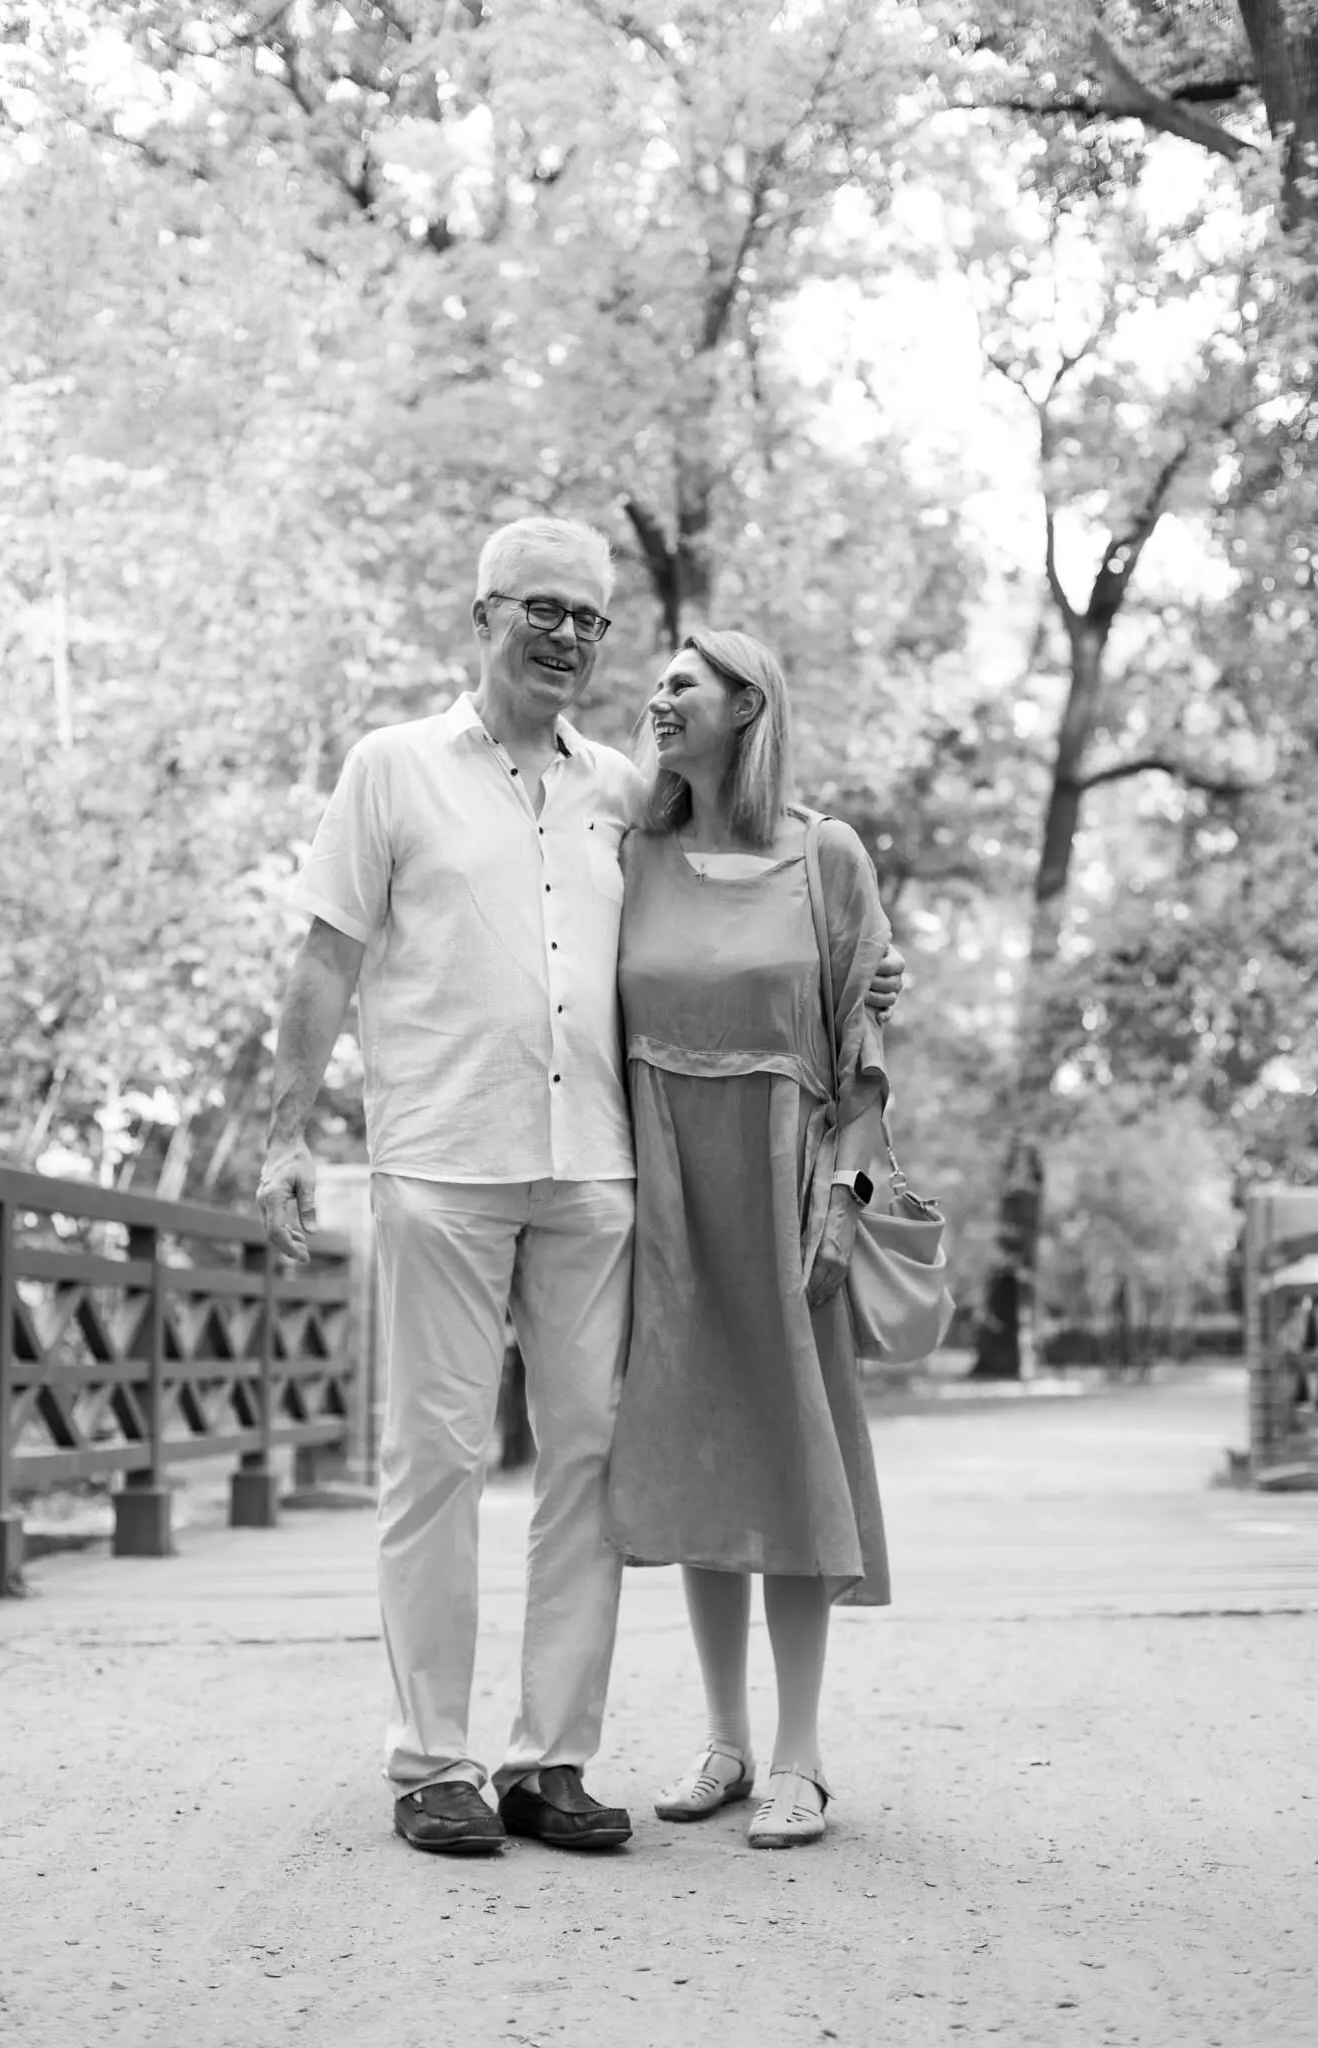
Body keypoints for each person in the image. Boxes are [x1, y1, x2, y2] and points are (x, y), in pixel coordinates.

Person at [256, 516, 903, 1859]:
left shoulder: (622, 792)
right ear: (484, 614)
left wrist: (863, 973)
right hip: (442, 1157)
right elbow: (325, 957)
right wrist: (283, 1135)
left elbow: (760, 908)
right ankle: (432, 1760)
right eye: (540, 608)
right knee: (435, 1460)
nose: (566, 636)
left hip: (599, 1171)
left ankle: (550, 1759)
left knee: (590, 1460)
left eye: (588, 618)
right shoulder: (392, 768)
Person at [604, 627, 893, 1851]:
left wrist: (844, 1197)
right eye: (659, 682)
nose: (658, 696)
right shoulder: (633, 853)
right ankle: (723, 1738)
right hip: (666, 1188)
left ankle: (800, 1755)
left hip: (785, 1185)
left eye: (684, 681)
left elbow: (865, 1052)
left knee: (789, 1452)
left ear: (746, 704)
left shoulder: (825, 854)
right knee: (699, 1451)